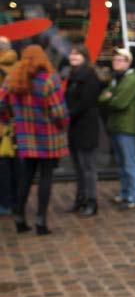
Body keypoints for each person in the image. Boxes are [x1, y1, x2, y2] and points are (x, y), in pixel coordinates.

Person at [0, 45, 69, 235]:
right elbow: (59, 112)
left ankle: (20, 217)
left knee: (26, 175)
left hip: (25, 134)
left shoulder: (12, 78)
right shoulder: (49, 80)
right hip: (48, 134)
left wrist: (9, 120)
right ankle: (40, 221)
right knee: (46, 177)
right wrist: (62, 125)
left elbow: (1, 104)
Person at [99, 47, 135, 209]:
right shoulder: (117, 78)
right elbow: (102, 97)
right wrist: (109, 97)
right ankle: (125, 192)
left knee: (129, 162)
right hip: (116, 125)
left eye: (120, 60)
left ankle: (134, 195)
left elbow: (119, 103)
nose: (115, 62)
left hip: (126, 126)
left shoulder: (131, 79)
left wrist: (110, 98)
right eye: (114, 59)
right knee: (121, 163)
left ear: (128, 62)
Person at [65, 44, 101, 217]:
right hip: (74, 127)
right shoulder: (73, 75)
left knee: (88, 167)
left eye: (77, 54)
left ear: (85, 57)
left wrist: (68, 113)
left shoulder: (90, 76)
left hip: (86, 127)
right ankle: (80, 198)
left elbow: (86, 102)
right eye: (71, 54)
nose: (73, 57)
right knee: (78, 166)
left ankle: (92, 201)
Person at [0, 36, 18, 216]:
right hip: (15, 122)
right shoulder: (17, 65)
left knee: (3, 165)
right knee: (13, 164)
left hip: (2, 123)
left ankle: (4, 203)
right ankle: (14, 200)